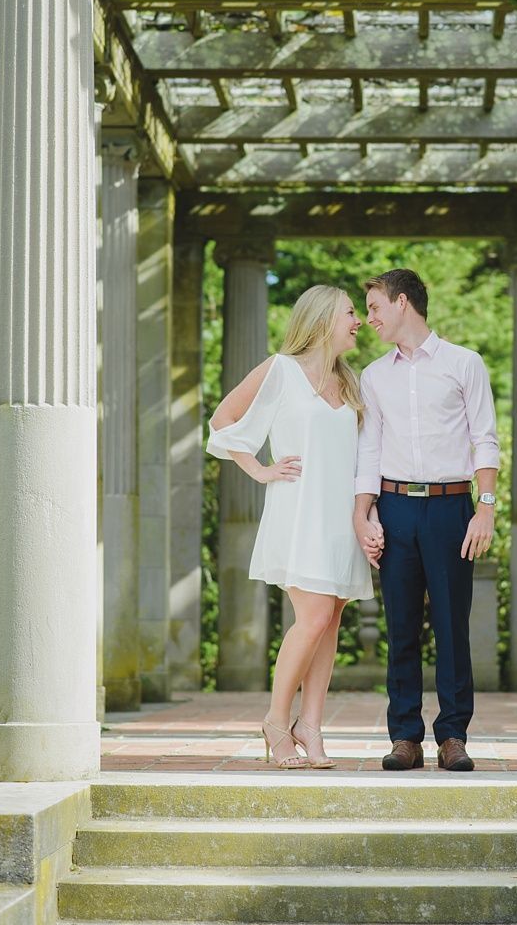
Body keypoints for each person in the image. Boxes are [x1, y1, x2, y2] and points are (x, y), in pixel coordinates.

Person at [207, 285, 378, 769]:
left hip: (341, 516)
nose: (358, 321)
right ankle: (277, 723)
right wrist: (260, 469)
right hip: (299, 511)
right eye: (350, 312)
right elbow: (222, 419)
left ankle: (312, 726)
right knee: (313, 619)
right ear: (324, 318)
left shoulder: (351, 383)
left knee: (330, 622)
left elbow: (363, 457)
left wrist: (367, 515)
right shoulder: (280, 369)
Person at [353, 269, 499, 772]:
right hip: (394, 508)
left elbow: (485, 437)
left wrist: (486, 507)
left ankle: (453, 735)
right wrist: (363, 514)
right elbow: (368, 448)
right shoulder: (374, 376)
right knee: (401, 626)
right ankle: (405, 736)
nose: (368, 318)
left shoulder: (465, 364)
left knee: (452, 623)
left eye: (373, 307)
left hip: (452, 507)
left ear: (401, 303)